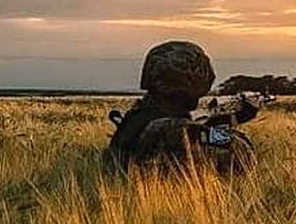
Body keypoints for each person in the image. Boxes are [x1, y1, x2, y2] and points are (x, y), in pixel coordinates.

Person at [106, 40, 257, 173]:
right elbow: (243, 158)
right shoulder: (173, 127)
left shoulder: (137, 117)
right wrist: (222, 127)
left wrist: (217, 122)